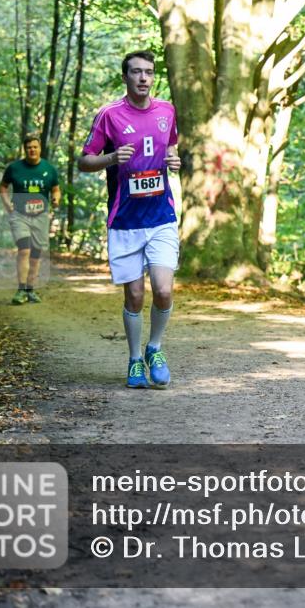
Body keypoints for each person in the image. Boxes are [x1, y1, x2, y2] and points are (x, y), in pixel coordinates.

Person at [78, 50, 181, 389]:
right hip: (125, 221)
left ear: (153, 77)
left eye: (148, 72)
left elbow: (170, 146)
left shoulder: (166, 110)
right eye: (136, 72)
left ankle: (155, 348)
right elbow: (84, 161)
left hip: (161, 216)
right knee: (135, 296)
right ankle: (135, 359)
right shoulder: (109, 115)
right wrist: (111, 158)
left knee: (163, 290)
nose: (143, 78)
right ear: (125, 77)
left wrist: (173, 159)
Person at [0, 134, 61, 305]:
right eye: (28, 148)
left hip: (40, 216)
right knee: (24, 250)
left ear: (40, 148)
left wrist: (56, 199)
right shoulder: (14, 168)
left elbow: (56, 189)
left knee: (35, 254)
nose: (32, 150)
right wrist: (7, 204)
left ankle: (30, 290)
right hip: (20, 215)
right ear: (24, 149)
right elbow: (3, 187)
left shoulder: (49, 169)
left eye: (35, 147)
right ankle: (21, 290)